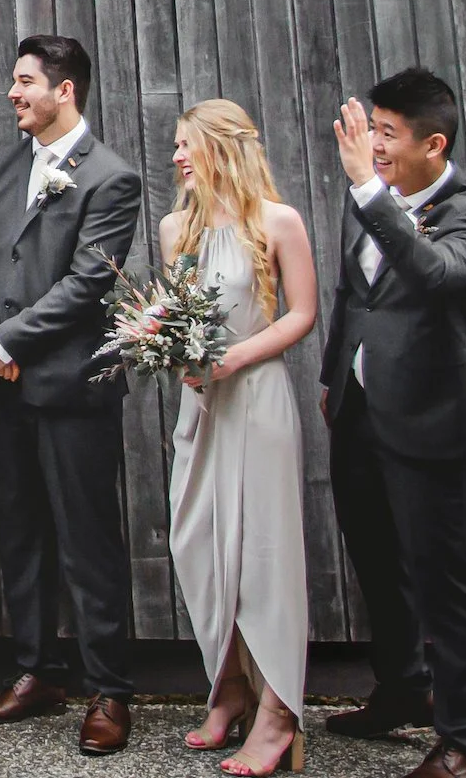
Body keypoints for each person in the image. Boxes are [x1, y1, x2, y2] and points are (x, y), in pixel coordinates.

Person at [321, 70, 466, 778]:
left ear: (433, 143)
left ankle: (465, 742)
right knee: (375, 559)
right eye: (370, 127)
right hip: (359, 411)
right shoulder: (366, 197)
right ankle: (401, 686)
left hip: (431, 424)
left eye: (387, 134)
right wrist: (331, 377)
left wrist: (370, 194)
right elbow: (353, 291)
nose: (371, 144)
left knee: (447, 581)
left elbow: (435, 274)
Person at [0, 35, 142, 754]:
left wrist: (7, 342)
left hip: (70, 385)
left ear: (64, 90)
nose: (13, 92)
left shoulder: (110, 176)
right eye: (14, 79)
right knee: (19, 531)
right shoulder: (4, 167)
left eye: (25, 81)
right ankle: (36, 671)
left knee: (87, 539)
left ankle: (110, 689)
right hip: (0, 387)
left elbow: (87, 281)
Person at [161, 100, 316, 775]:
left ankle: (278, 713)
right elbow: (172, 318)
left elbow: (303, 313)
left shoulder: (276, 221)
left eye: (185, 144)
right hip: (200, 407)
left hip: (254, 400)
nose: (175, 156)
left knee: (262, 553)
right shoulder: (175, 229)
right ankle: (226, 686)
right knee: (194, 542)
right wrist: (176, 357)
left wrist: (236, 357)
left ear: (221, 147)